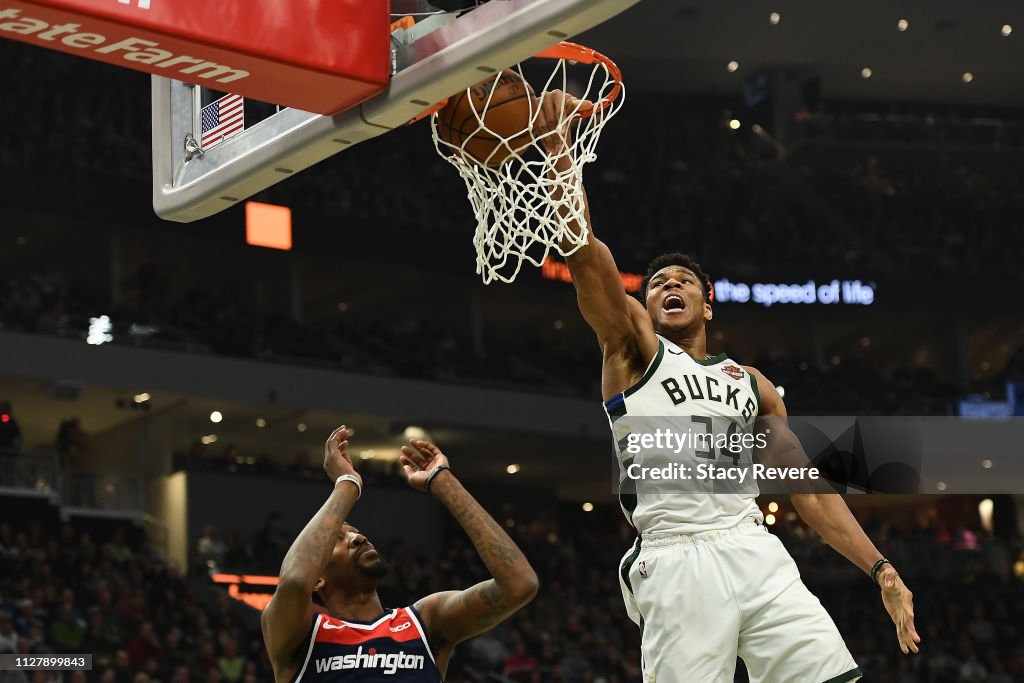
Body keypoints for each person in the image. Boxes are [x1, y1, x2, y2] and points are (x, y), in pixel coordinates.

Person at [532, 92, 920, 682]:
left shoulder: (755, 385)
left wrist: (882, 569)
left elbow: (808, 493)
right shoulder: (633, 352)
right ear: (647, 304)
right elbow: (589, 262)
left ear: (706, 304)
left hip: (754, 548)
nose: (669, 286)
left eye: (683, 280)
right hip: (676, 556)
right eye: (658, 281)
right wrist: (561, 157)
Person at [261, 426, 538, 682]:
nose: (358, 537)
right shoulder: (300, 634)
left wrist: (443, 482)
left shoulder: (427, 621)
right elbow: (295, 581)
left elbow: (519, 584)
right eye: (338, 538)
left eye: (357, 532)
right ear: (318, 580)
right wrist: (347, 483)